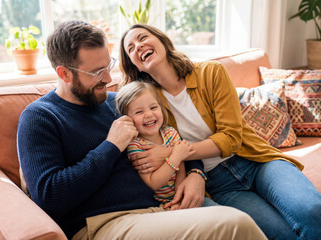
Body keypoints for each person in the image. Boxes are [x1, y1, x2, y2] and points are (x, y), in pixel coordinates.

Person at [17, 20, 268, 240]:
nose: (107, 78)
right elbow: (49, 196)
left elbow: (171, 138)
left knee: (246, 221)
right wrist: (111, 146)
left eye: (108, 66)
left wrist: (195, 174)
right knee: (235, 224)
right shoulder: (40, 118)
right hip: (106, 223)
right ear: (64, 73)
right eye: (96, 72)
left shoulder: (118, 103)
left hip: (159, 211)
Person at [119, 24, 321, 240]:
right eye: (130, 48)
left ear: (162, 41)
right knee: (281, 234)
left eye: (143, 38)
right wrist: (195, 172)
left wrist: (170, 153)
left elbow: (232, 137)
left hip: (256, 161)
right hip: (217, 183)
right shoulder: (149, 105)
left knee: (312, 210)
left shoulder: (211, 72)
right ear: (134, 65)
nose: (138, 46)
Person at [116, 81, 196, 208]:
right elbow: (152, 183)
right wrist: (175, 155)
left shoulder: (171, 133)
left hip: (181, 194)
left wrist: (178, 197)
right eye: (139, 112)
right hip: (159, 205)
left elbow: (181, 165)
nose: (148, 114)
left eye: (153, 107)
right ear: (127, 119)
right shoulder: (136, 147)